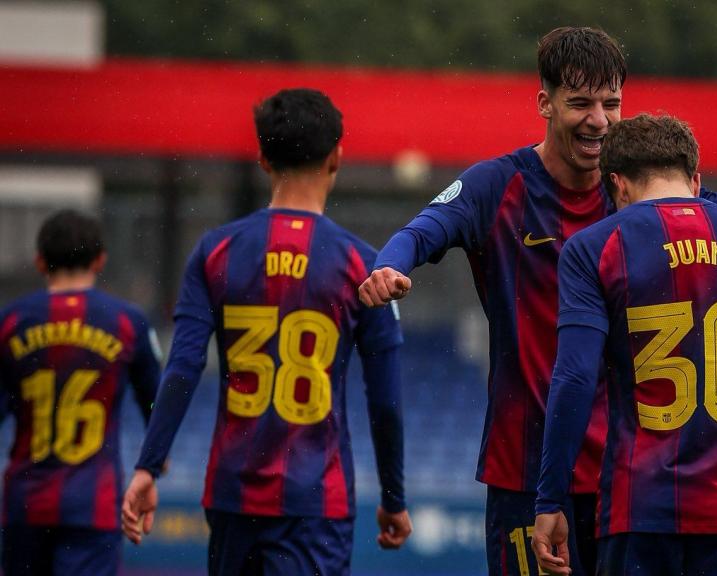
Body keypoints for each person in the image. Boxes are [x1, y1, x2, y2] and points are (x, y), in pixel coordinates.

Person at [358, 27, 717, 576]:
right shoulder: (499, 185)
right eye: (580, 103)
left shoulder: (643, 199)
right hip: (532, 472)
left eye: (611, 103)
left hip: (628, 477)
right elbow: (425, 228)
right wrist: (390, 265)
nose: (599, 120)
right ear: (545, 103)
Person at [121, 88, 412, 575]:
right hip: (315, 502)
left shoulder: (215, 252)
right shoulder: (363, 264)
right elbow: (385, 397)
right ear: (337, 155)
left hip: (232, 495)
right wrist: (393, 497)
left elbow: (183, 366)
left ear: (261, 158)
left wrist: (149, 466)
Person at [531, 114, 717, 575]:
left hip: (641, 513)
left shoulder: (595, 247)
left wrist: (550, 498)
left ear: (618, 185)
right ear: (695, 179)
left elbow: (574, 378)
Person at [0, 209, 161, 576]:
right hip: (94, 502)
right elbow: (156, 401)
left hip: (25, 501)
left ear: (40, 262)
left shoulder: (11, 321)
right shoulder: (125, 321)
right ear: (100, 259)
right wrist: (155, 464)